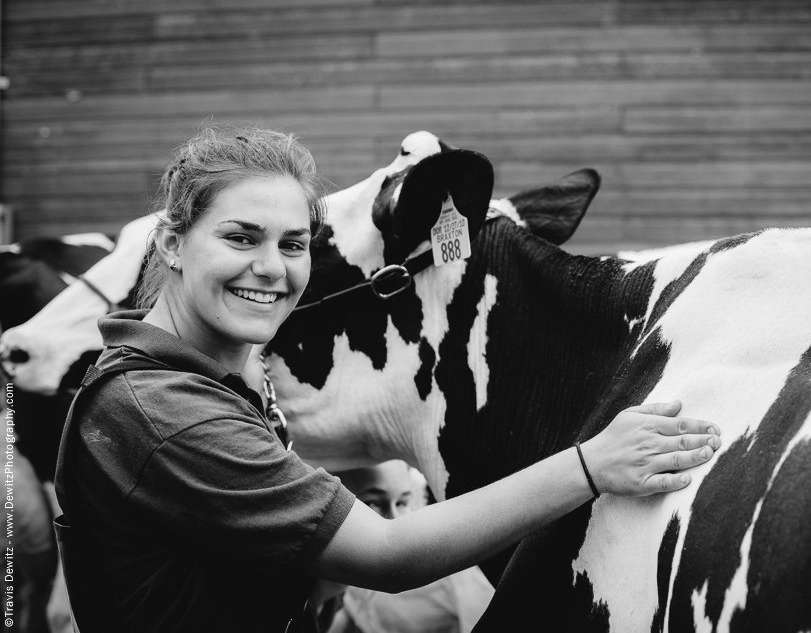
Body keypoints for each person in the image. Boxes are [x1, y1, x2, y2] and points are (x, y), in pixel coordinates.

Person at [54, 125, 723, 633]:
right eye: (240, 237)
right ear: (171, 243)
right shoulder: (164, 410)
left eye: (292, 245)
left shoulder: (214, 371)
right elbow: (390, 555)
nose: (272, 267)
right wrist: (591, 463)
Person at [320, 461, 494, 633]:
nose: (396, 521)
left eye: (402, 502)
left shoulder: (448, 565)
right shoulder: (341, 581)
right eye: (373, 503)